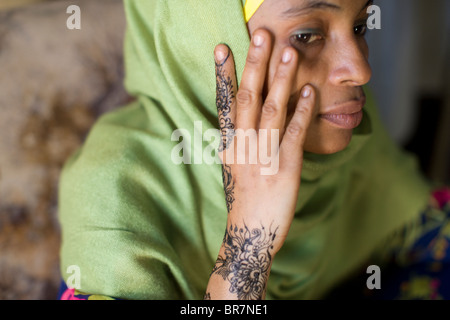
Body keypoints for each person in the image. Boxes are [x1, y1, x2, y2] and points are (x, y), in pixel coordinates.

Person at [58, 0, 450, 300]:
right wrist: (249, 246)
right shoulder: (112, 194)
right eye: (307, 35)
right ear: (204, 35)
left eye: (360, 25)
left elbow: (431, 239)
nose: (360, 69)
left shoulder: (339, 124)